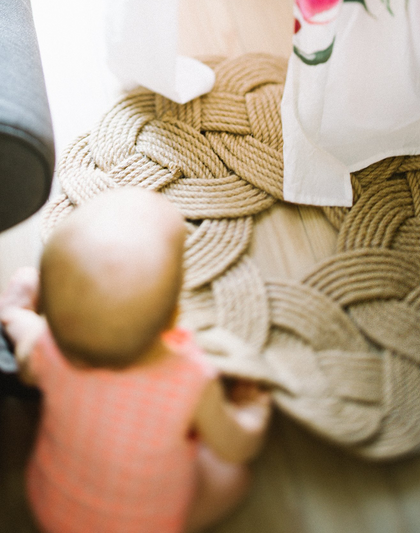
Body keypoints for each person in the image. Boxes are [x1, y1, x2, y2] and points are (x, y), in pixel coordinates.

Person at [0, 187, 271, 533]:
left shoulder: (46, 349)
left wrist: (15, 308)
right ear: (173, 318)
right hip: (147, 525)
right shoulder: (189, 377)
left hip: (53, 511)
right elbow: (235, 447)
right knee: (232, 479)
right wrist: (251, 413)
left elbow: (24, 346)